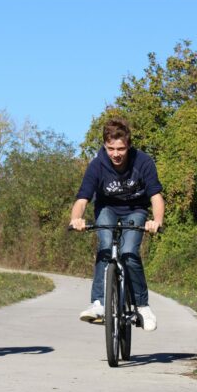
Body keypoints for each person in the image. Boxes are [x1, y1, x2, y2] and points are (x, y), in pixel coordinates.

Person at [69, 117, 164, 331]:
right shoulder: (97, 165)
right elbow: (82, 199)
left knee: (129, 252)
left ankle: (142, 305)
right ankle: (99, 303)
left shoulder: (143, 162)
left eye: (120, 148)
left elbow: (156, 196)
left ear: (128, 145)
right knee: (105, 246)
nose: (116, 154)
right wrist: (76, 219)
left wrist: (156, 221)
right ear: (105, 145)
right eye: (111, 148)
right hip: (107, 209)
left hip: (135, 210)